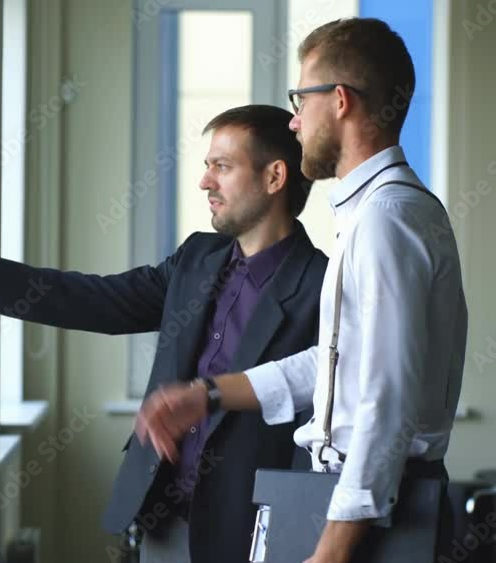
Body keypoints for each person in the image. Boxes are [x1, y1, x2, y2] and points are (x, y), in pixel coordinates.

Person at [0, 105, 326, 563]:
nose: (205, 181)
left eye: (222, 167)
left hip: (250, 532)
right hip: (161, 522)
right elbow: (98, 300)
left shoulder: (323, 286)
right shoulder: (197, 258)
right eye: (207, 166)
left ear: (274, 177)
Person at [134, 18, 468, 563]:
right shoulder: (375, 212)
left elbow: (384, 403)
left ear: (339, 101)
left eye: (301, 100)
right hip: (356, 504)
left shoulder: (386, 219)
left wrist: (331, 551)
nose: (293, 121)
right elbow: (339, 364)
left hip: (371, 518)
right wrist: (209, 394)